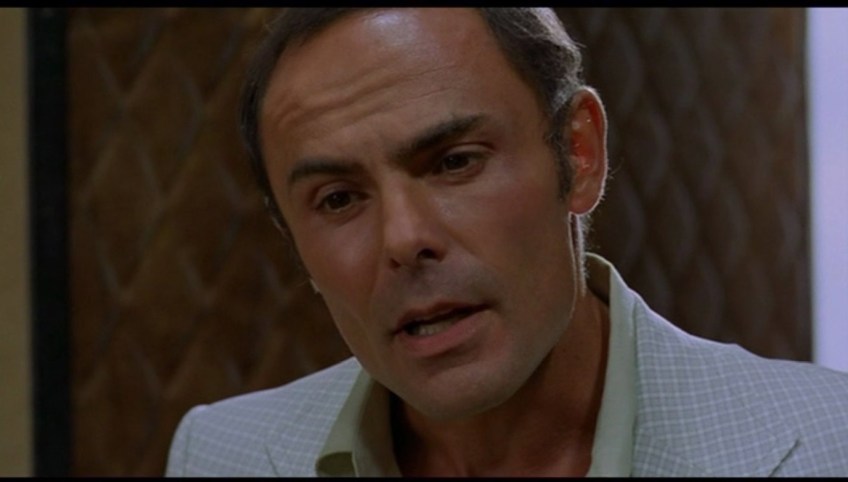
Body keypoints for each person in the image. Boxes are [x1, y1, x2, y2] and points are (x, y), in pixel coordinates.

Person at [165, 8, 848, 477]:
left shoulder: (826, 443)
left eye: (454, 162)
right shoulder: (221, 455)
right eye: (339, 200)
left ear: (579, 154)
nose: (404, 239)